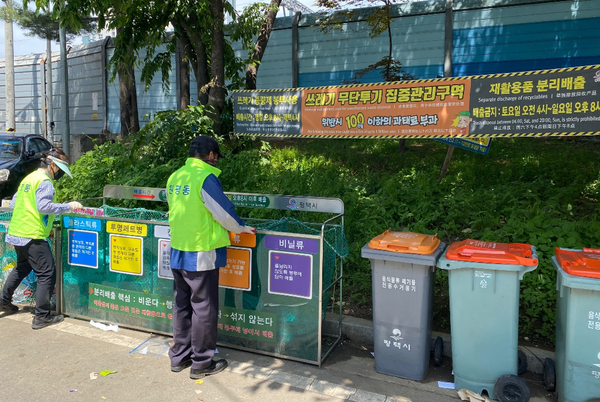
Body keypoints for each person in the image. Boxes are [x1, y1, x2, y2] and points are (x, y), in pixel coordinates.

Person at [167, 136, 255, 379]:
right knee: (204, 308)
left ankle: (179, 357)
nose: (216, 160)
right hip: (201, 252)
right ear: (209, 154)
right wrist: (241, 227)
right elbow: (223, 211)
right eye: (215, 156)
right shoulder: (205, 177)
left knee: (181, 305)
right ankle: (202, 362)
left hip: (177, 249)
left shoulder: (176, 176)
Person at [0, 149, 83, 329]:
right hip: (33, 235)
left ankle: (3, 301)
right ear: (52, 165)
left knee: (21, 268)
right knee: (46, 274)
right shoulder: (45, 181)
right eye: (60, 168)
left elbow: (14, 204)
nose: (60, 173)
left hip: (17, 232)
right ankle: (42, 316)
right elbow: (43, 206)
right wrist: (67, 206)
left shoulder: (29, 179)